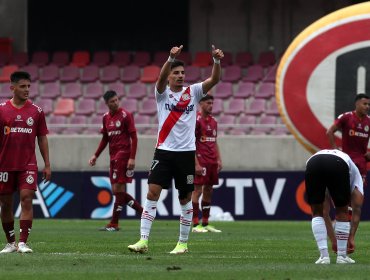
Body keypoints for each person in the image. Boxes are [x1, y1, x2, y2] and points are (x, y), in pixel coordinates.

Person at [128, 44, 224, 254]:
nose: (180, 76)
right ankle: (143, 240)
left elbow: (214, 79)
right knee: (152, 193)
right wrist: (170, 59)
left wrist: (216, 61)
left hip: (186, 155)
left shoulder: (194, 92)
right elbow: (160, 79)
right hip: (163, 152)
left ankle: (182, 243)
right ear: (169, 76)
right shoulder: (162, 95)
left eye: (182, 73)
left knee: (184, 199)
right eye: (176, 73)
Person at [0, 71, 51, 254]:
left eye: (29, 86)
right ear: (12, 88)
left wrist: (47, 164)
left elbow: (42, 138)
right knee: (6, 204)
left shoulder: (36, 111)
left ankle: (23, 242)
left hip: (27, 164)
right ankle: (11, 242)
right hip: (4, 164)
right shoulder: (1, 110)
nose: (27, 90)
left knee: (26, 199)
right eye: (22, 86)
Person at [89, 90, 143, 231]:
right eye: (112, 101)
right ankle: (144, 213)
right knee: (116, 191)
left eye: (116, 100)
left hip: (123, 155)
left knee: (119, 189)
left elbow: (134, 137)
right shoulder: (105, 117)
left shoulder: (126, 115)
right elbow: (105, 139)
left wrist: (132, 157)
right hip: (112, 156)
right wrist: (96, 155)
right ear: (106, 103)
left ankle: (114, 223)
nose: (115, 103)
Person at [325, 93, 370, 253]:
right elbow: (330, 131)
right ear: (357, 104)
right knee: (343, 202)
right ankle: (336, 233)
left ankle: (351, 238)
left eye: (368, 105)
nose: (367, 107)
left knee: (357, 205)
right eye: (365, 104)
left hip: (362, 166)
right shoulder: (346, 118)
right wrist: (335, 150)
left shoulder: (368, 122)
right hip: (345, 164)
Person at [305, 149, 363, 264]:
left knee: (317, 212)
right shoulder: (356, 176)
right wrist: (351, 237)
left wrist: (334, 240)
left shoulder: (346, 162)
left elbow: (325, 212)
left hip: (313, 163)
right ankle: (342, 257)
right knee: (342, 211)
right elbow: (357, 208)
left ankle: (323, 257)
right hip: (337, 163)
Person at [191, 94, 222, 233]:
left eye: (212, 103)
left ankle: (205, 222)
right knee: (197, 190)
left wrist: (219, 159)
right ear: (201, 104)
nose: (211, 105)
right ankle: (195, 223)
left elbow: (214, 141)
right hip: (200, 160)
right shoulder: (195, 120)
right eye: (208, 103)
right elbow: (190, 143)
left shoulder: (214, 121)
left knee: (209, 190)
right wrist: (196, 163)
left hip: (211, 161)